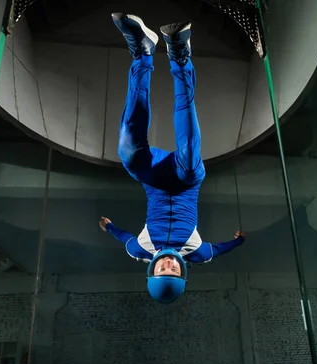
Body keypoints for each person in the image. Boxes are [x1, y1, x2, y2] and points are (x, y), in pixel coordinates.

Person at [99, 14, 245, 304]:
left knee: (128, 147)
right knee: (190, 149)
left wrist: (109, 227)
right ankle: (180, 58)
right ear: (183, 272)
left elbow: (122, 236)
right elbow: (221, 248)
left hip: (153, 179)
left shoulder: (138, 250)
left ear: (152, 270)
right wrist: (239, 240)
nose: (168, 264)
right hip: (184, 181)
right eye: (174, 270)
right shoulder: (198, 253)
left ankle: (142, 54)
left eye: (162, 270)